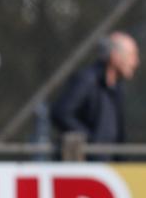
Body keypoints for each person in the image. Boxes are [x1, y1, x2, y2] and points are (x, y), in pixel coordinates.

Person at [51, 31, 140, 160]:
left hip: (109, 168)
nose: (135, 62)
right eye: (132, 55)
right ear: (115, 56)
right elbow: (61, 113)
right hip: (85, 167)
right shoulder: (87, 80)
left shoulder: (117, 88)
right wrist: (91, 141)